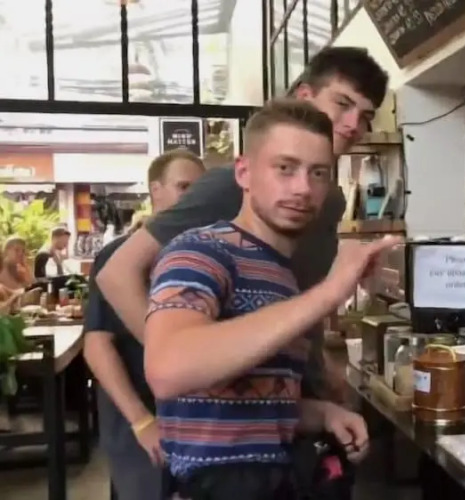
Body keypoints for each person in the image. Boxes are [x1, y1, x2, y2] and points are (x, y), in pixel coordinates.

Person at [96, 46, 388, 404]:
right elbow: (117, 274)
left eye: (365, 116)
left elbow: (295, 300)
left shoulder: (330, 201)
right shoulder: (228, 188)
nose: (353, 124)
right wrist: (193, 371)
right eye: (342, 104)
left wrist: (318, 367)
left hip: (294, 404)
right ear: (304, 96)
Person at [143, 98, 399, 498]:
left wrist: (324, 414)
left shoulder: (281, 275)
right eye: (285, 168)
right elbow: (168, 369)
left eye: (318, 173)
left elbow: (251, 406)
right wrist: (330, 292)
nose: (303, 188)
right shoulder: (201, 251)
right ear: (244, 172)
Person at [82, 150, 207, 500]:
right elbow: (97, 345)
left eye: (199, 190)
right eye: (184, 187)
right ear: (156, 191)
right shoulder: (119, 257)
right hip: (138, 412)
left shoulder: (204, 255)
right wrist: (141, 421)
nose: (193, 199)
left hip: (195, 418)